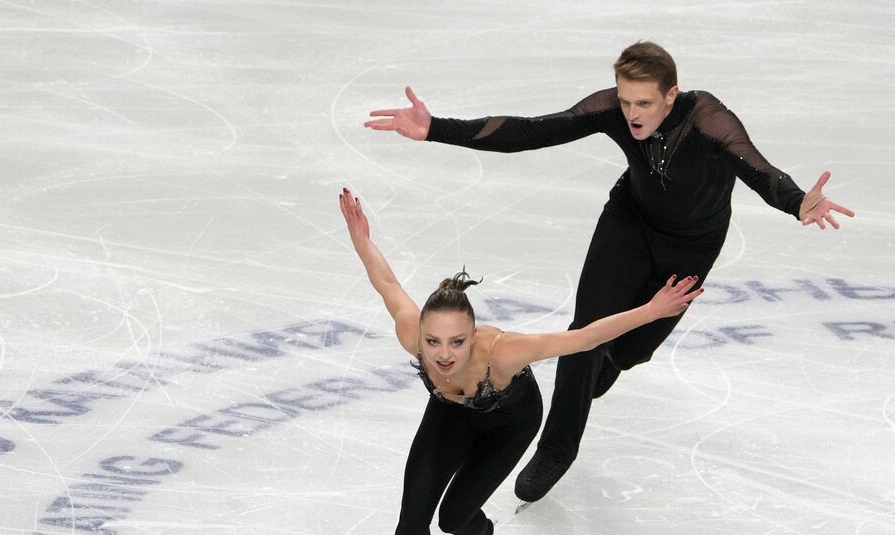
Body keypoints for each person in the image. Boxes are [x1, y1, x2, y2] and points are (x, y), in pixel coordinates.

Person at [365, 41, 854, 503]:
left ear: (671, 95)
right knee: (585, 332)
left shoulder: (709, 121)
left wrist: (797, 202)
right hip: (629, 223)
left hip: (692, 245)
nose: (632, 113)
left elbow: (757, 168)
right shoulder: (613, 110)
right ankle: (556, 449)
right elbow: (531, 131)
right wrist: (436, 128)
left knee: (630, 349)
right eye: (625, 101)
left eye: (644, 103)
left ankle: (608, 361)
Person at [337, 188, 703, 535]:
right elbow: (386, 283)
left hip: (510, 423)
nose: (443, 354)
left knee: (453, 519)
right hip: (449, 414)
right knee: (413, 515)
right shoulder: (412, 333)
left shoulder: (504, 351)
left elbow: (583, 338)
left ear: (473, 335)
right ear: (420, 335)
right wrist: (361, 239)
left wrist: (651, 311)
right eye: (433, 342)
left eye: (457, 342)